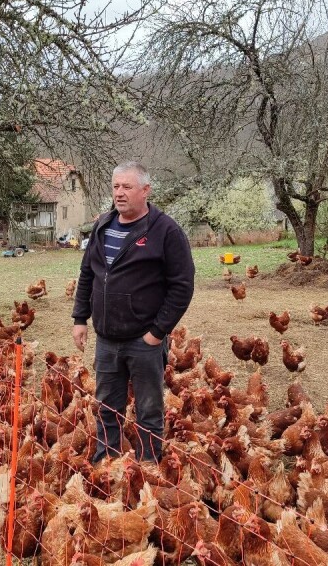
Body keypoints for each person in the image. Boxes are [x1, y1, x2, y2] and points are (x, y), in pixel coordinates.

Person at [72, 161, 195, 463]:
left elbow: (182, 286)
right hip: (107, 339)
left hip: (144, 341)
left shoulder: (166, 231)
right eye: (116, 186)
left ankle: (149, 467)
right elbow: (88, 273)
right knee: (106, 408)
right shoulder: (103, 226)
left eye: (127, 186)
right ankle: (108, 465)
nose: (119, 193)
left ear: (146, 190)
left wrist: (157, 333)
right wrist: (80, 318)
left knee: (148, 410)